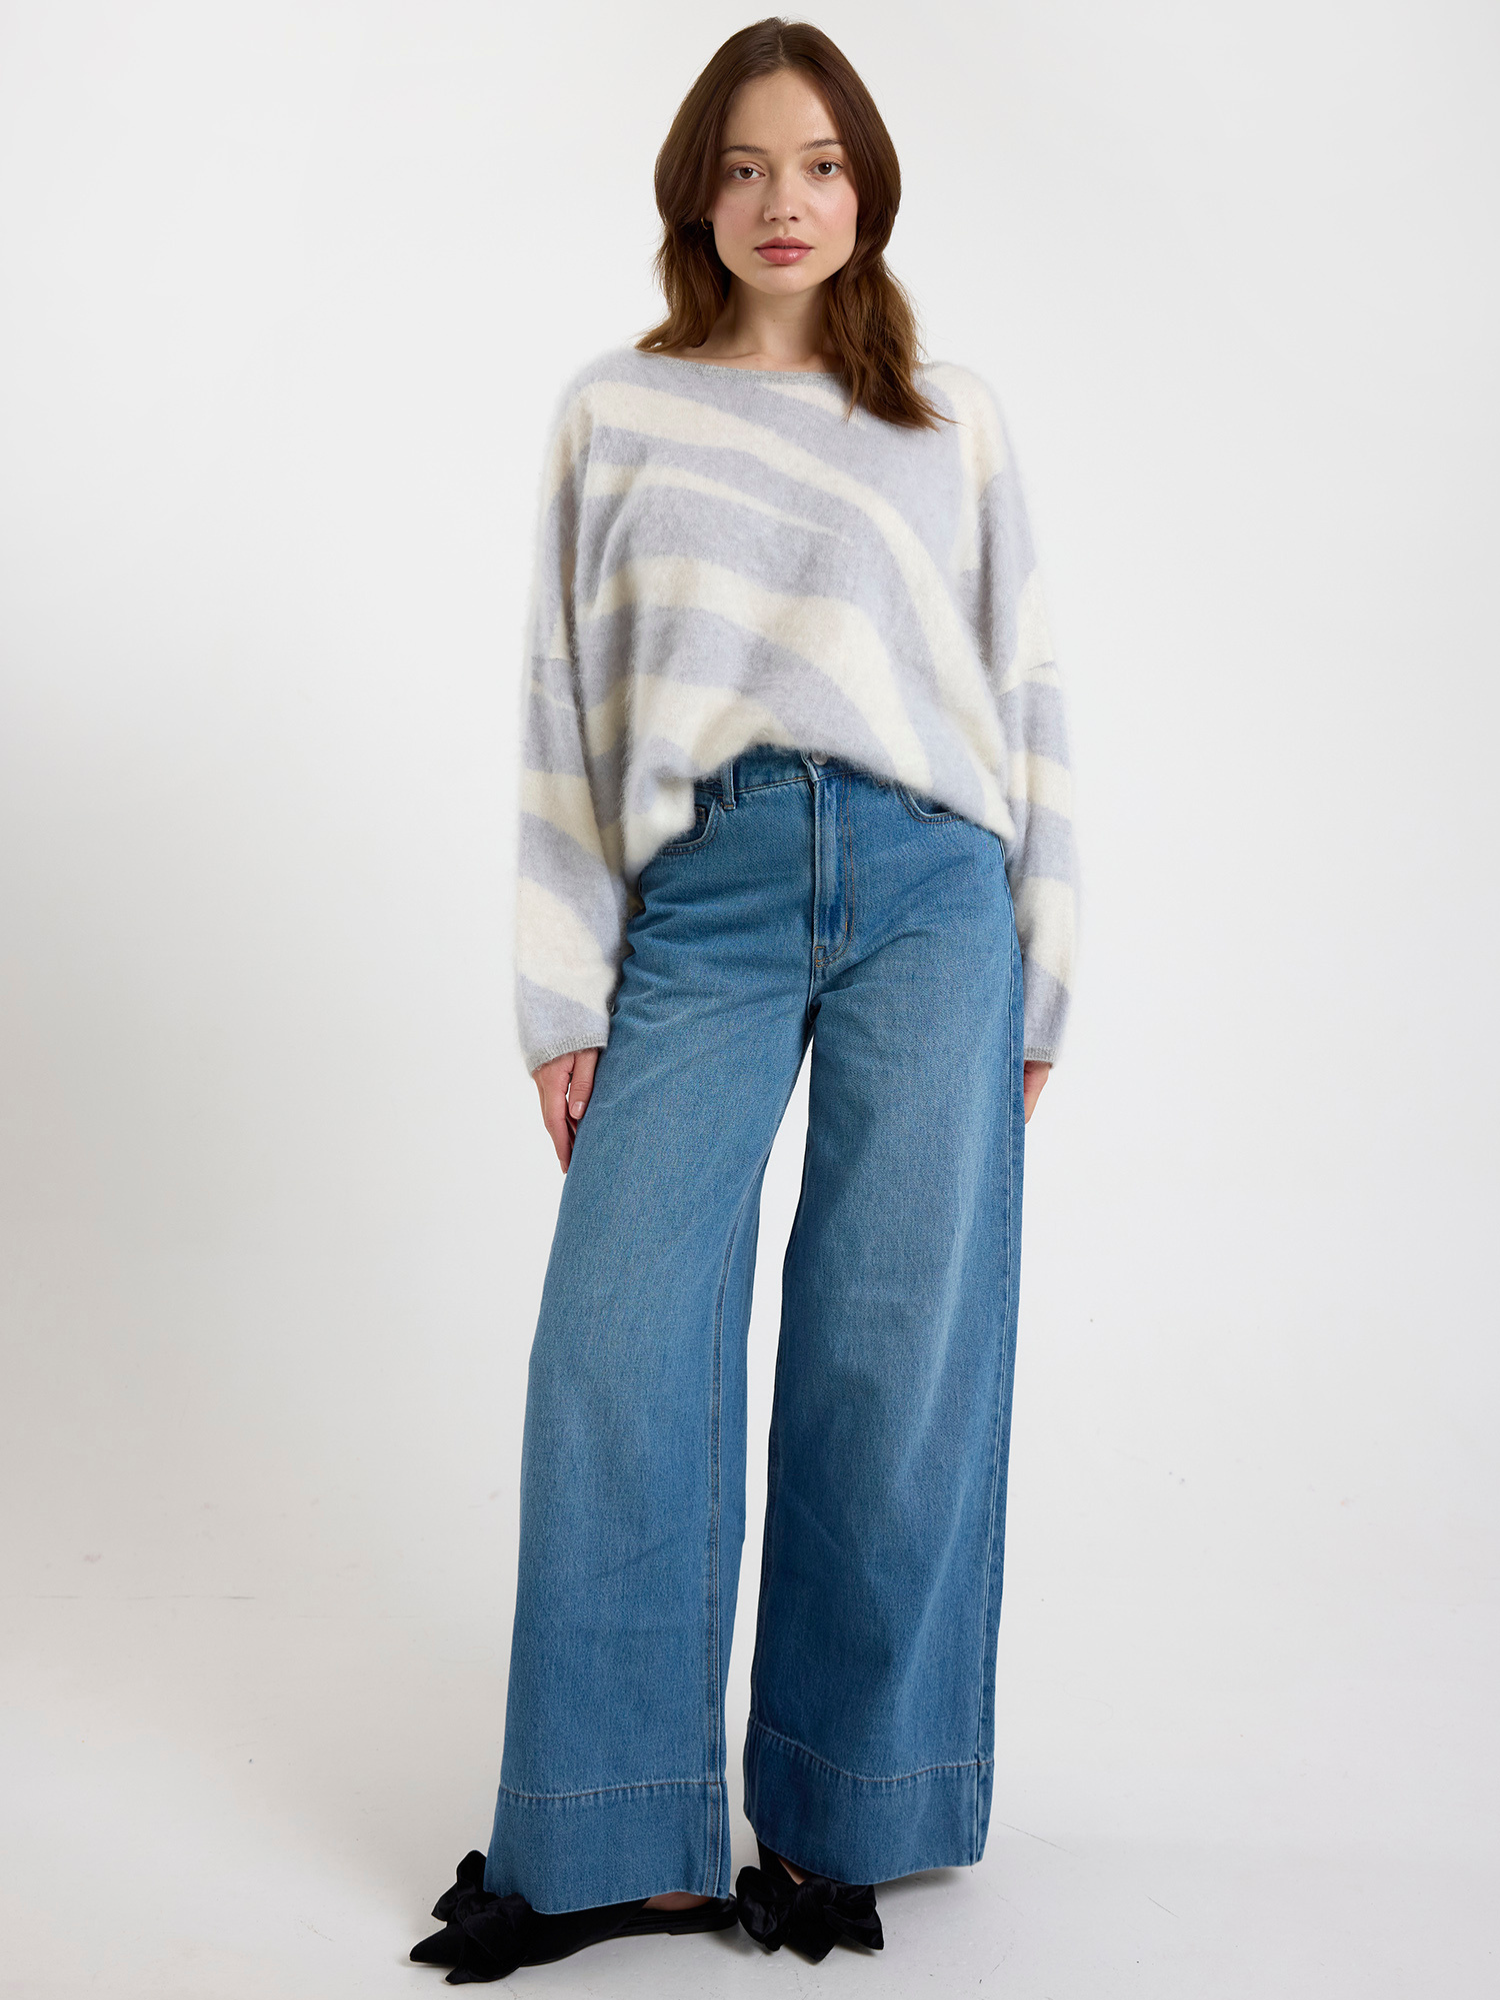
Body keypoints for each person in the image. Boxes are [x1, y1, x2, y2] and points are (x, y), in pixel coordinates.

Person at [410, 15, 1077, 1985]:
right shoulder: (614, 412)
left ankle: (845, 1818)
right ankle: (617, 1840)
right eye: (746, 165)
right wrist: (561, 998)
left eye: (822, 164)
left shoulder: (949, 422)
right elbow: (560, 710)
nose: (786, 200)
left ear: (868, 190)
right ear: (697, 193)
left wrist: (1046, 977)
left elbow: (1028, 698)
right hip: (705, 890)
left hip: (935, 896)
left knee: (894, 1351)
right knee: (617, 1344)